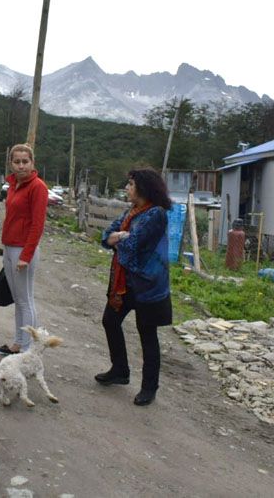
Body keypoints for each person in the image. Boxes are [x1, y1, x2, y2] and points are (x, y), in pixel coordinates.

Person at [96, 168, 172, 406]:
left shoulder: (156, 214)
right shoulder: (132, 211)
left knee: (147, 335)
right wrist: (119, 237)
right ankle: (120, 370)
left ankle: (149, 387)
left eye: (130, 184)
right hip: (125, 284)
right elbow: (106, 236)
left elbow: (132, 247)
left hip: (149, 286)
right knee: (110, 321)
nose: (127, 188)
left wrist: (118, 239)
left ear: (143, 187)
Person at [0, 144, 48, 355]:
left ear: (32, 163)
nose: (21, 165)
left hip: (24, 249)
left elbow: (37, 225)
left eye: (25, 161)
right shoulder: (13, 185)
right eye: (17, 161)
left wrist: (26, 255)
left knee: (25, 299)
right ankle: (18, 342)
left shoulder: (38, 187)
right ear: (11, 163)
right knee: (18, 299)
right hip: (10, 246)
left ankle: (28, 348)